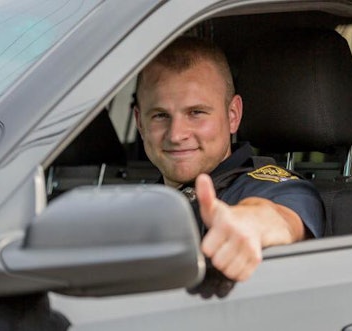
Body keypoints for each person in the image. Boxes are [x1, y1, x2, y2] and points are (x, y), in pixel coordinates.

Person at [134, 36, 325, 293]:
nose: (176, 134)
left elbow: (280, 218)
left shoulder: (271, 188)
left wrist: (247, 224)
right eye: (160, 115)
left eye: (196, 113)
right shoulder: (138, 202)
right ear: (139, 122)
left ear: (232, 115)